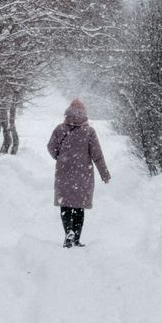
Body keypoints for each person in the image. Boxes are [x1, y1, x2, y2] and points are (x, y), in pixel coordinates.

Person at [47, 98, 111, 247]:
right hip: (83, 175)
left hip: (64, 173)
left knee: (66, 205)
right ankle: (76, 238)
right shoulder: (89, 131)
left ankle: (67, 233)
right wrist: (104, 173)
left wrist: (60, 157)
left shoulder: (59, 129)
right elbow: (97, 155)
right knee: (78, 207)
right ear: (84, 114)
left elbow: (51, 147)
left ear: (68, 112)